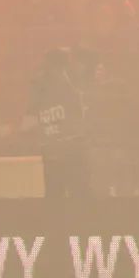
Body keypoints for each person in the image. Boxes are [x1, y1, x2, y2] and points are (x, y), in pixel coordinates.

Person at [30, 49, 89, 198]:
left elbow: (31, 114)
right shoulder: (70, 79)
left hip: (51, 151)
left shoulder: (38, 84)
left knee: (54, 196)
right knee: (78, 194)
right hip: (72, 149)